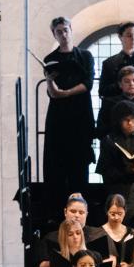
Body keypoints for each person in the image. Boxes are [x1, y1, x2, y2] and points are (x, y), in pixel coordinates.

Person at [41, 15, 96, 195]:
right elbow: (52, 92)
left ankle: (80, 206)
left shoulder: (85, 56)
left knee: (80, 162)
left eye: (66, 30)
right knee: (57, 162)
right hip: (59, 116)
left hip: (80, 115)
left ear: (71, 30)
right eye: (59, 32)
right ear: (54, 34)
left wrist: (65, 93)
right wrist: (49, 81)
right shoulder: (50, 58)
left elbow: (88, 84)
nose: (63, 35)